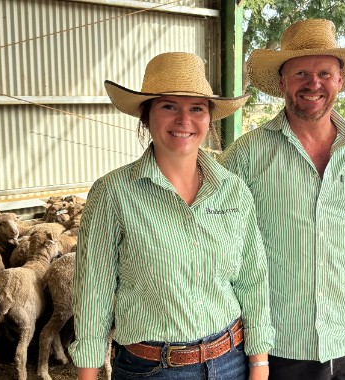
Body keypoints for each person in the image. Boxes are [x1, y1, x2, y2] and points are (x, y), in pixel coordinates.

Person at [69, 52, 274, 380]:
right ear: (146, 115)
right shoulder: (114, 193)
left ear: (209, 118)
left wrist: (259, 364)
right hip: (153, 368)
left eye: (196, 108)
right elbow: (94, 293)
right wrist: (88, 374)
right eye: (169, 106)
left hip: (231, 361)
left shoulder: (233, 190)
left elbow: (253, 280)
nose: (184, 120)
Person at [219, 19, 345, 379]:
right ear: (282, 83)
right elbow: (221, 247)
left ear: (340, 80)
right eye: (301, 73)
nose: (314, 83)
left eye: (325, 72)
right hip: (279, 346)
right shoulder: (246, 155)